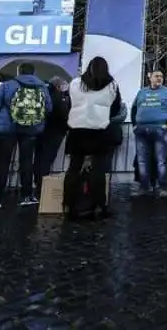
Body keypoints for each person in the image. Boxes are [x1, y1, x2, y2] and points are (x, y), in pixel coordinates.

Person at [0, 63, 52, 210]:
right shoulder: (42, 86)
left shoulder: (8, 85)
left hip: (8, 128)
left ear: (18, 71)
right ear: (33, 72)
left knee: (3, 162)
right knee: (26, 162)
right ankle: (27, 196)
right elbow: (48, 107)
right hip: (31, 128)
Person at [65, 56, 121, 217]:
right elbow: (116, 108)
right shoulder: (112, 85)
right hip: (99, 129)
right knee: (98, 170)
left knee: (73, 169)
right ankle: (99, 206)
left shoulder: (75, 83)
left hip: (77, 128)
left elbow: (69, 104)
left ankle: (69, 206)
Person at [131, 70, 167, 196]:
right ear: (150, 77)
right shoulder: (141, 92)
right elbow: (134, 108)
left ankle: (163, 186)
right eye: (157, 76)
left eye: (161, 76)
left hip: (160, 130)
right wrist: (135, 125)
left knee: (161, 160)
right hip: (141, 130)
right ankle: (145, 186)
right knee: (142, 160)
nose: (159, 78)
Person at [34, 76, 71, 197]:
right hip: (55, 132)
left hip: (40, 130)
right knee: (47, 159)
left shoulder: (43, 94)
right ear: (58, 86)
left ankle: (37, 183)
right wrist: (67, 126)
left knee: (39, 158)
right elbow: (63, 115)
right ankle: (42, 186)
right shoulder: (59, 97)